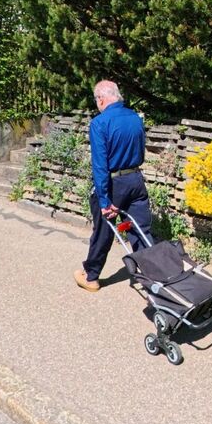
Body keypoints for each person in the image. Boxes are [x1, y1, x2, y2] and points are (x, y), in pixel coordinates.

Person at [74, 80, 155, 292]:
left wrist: (103, 199)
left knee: (103, 232)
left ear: (101, 98)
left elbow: (100, 166)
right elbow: (141, 152)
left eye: (96, 100)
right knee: (141, 230)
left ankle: (91, 277)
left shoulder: (100, 123)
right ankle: (154, 276)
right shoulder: (135, 118)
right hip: (135, 180)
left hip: (113, 184)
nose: (96, 104)